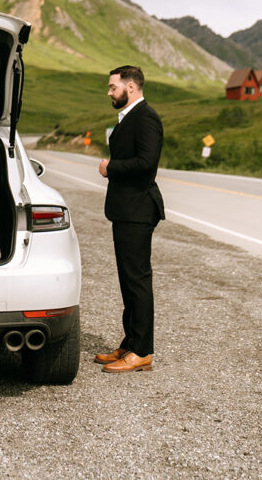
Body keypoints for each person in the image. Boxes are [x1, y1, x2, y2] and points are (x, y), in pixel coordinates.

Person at [96, 65, 165, 373]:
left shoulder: (146, 117)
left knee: (137, 280)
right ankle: (129, 342)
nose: (109, 92)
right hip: (126, 209)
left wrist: (111, 168)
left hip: (138, 209)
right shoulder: (129, 116)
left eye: (113, 87)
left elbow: (147, 163)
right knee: (128, 279)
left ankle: (142, 351)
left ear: (131, 88)